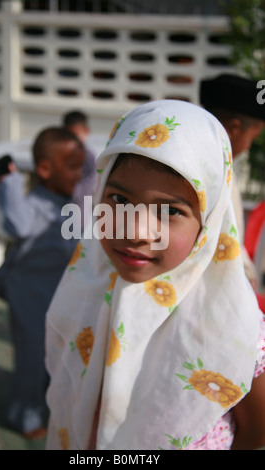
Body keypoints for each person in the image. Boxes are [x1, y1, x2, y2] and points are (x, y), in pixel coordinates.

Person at [45, 100, 265, 450]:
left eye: (169, 210)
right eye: (118, 198)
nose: (136, 231)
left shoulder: (237, 330)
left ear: (208, 224)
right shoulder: (88, 286)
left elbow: (256, 432)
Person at [0, 127, 85, 439]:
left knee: (52, 355)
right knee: (31, 357)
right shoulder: (33, 205)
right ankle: (21, 414)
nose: (79, 174)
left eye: (81, 166)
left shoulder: (65, 204)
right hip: (29, 296)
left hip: (53, 295)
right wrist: (9, 180)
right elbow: (18, 224)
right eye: (72, 166)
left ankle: (43, 403)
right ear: (45, 169)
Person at [200, 74, 265, 290]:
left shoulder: (223, 167)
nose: (248, 147)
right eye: (252, 138)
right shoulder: (209, 172)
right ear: (234, 128)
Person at [62, 110, 98, 218]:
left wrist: (70, 189)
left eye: (75, 136)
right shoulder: (61, 155)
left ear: (86, 131)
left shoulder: (89, 157)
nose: (73, 140)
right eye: (69, 135)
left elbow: (89, 184)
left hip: (81, 216)